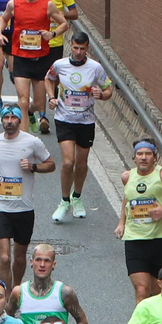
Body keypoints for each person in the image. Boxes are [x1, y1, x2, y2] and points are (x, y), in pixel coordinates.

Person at [113, 139, 162, 303]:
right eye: (140, 154)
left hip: (158, 241)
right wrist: (121, 223)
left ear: (155, 158)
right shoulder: (127, 177)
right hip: (134, 241)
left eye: (148, 154)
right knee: (141, 290)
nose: (143, 157)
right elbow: (127, 200)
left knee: (156, 294)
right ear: (134, 158)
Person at [44, 31, 111, 224]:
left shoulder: (95, 68)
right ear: (70, 46)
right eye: (75, 48)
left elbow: (108, 89)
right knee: (67, 162)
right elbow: (49, 78)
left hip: (86, 121)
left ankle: (77, 197)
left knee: (81, 164)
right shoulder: (60, 65)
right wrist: (52, 97)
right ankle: (64, 201)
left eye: (82, 49)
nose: (79, 52)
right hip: (64, 119)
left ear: (87, 48)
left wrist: (102, 94)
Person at [0, 104, 52, 285]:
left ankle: (16, 290)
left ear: (20, 120)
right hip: (0, 206)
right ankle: (4, 295)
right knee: (4, 257)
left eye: (13, 118)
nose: (9, 122)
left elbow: (50, 164)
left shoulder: (32, 142)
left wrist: (33, 167)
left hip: (24, 207)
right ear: (2, 120)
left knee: (19, 257)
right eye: (6, 118)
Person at [0, 0, 65, 131]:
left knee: (39, 103)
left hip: (41, 59)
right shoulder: (14, 4)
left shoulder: (48, 5)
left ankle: (32, 113)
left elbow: (64, 24)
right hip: (21, 58)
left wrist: (52, 34)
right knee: (23, 101)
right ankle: (24, 139)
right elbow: (4, 19)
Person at [10, 245, 90, 324]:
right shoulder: (19, 292)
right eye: (38, 260)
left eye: (47, 261)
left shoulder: (65, 293)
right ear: (31, 262)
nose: (42, 265)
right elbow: (7, 319)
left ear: (53, 265)